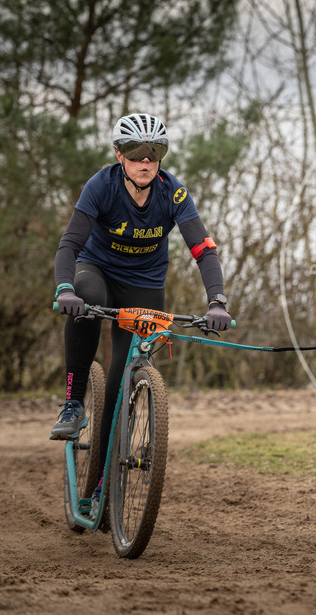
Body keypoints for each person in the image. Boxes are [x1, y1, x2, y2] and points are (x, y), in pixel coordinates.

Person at [51, 112, 232, 511]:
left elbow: (204, 250)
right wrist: (65, 288)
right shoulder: (101, 185)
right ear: (120, 155)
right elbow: (69, 244)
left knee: (119, 383)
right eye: (136, 152)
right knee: (84, 297)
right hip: (96, 270)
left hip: (145, 284)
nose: (145, 161)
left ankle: (101, 482)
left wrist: (216, 301)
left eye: (154, 152)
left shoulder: (175, 194)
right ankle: (73, 400)